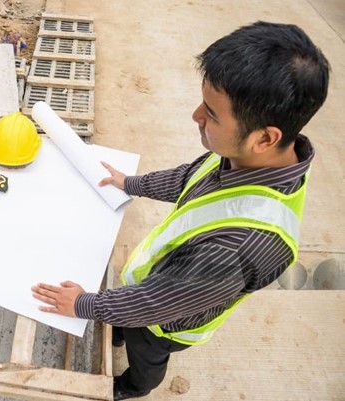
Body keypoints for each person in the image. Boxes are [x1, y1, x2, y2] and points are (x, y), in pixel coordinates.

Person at [31, 21, 330, 401]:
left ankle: (133, 387)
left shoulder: (238, 248)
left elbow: (153, 303)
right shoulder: (246, 158)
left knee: (146, 354)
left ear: (265, 137)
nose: (195, 116)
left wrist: (83, 304)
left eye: (211, 113)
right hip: (163, 285)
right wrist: (131, 183)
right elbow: (187, 177)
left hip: (166, 322)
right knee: (125, 320)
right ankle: (119, 327)